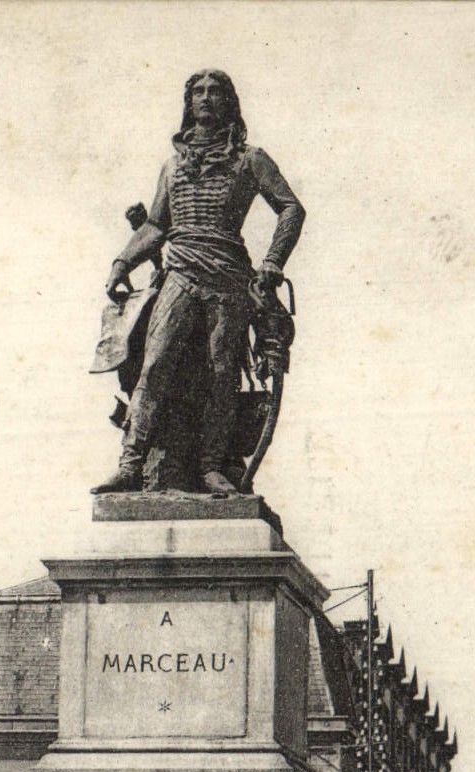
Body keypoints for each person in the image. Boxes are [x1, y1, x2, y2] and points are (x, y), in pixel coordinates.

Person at [92, 70, 304, 497]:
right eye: (198, 93)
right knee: (155, 365)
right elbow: (155, 225)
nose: (206, 99)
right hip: (181, 273)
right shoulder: (172, 166)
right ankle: (131, 463)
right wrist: (121, 262)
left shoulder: (250, 160)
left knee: (222, 375)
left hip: (229, 279)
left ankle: (211, 467)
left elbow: (291, 208)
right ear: (188, 104)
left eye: (216, 92)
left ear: (230, 102)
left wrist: (273, 263)